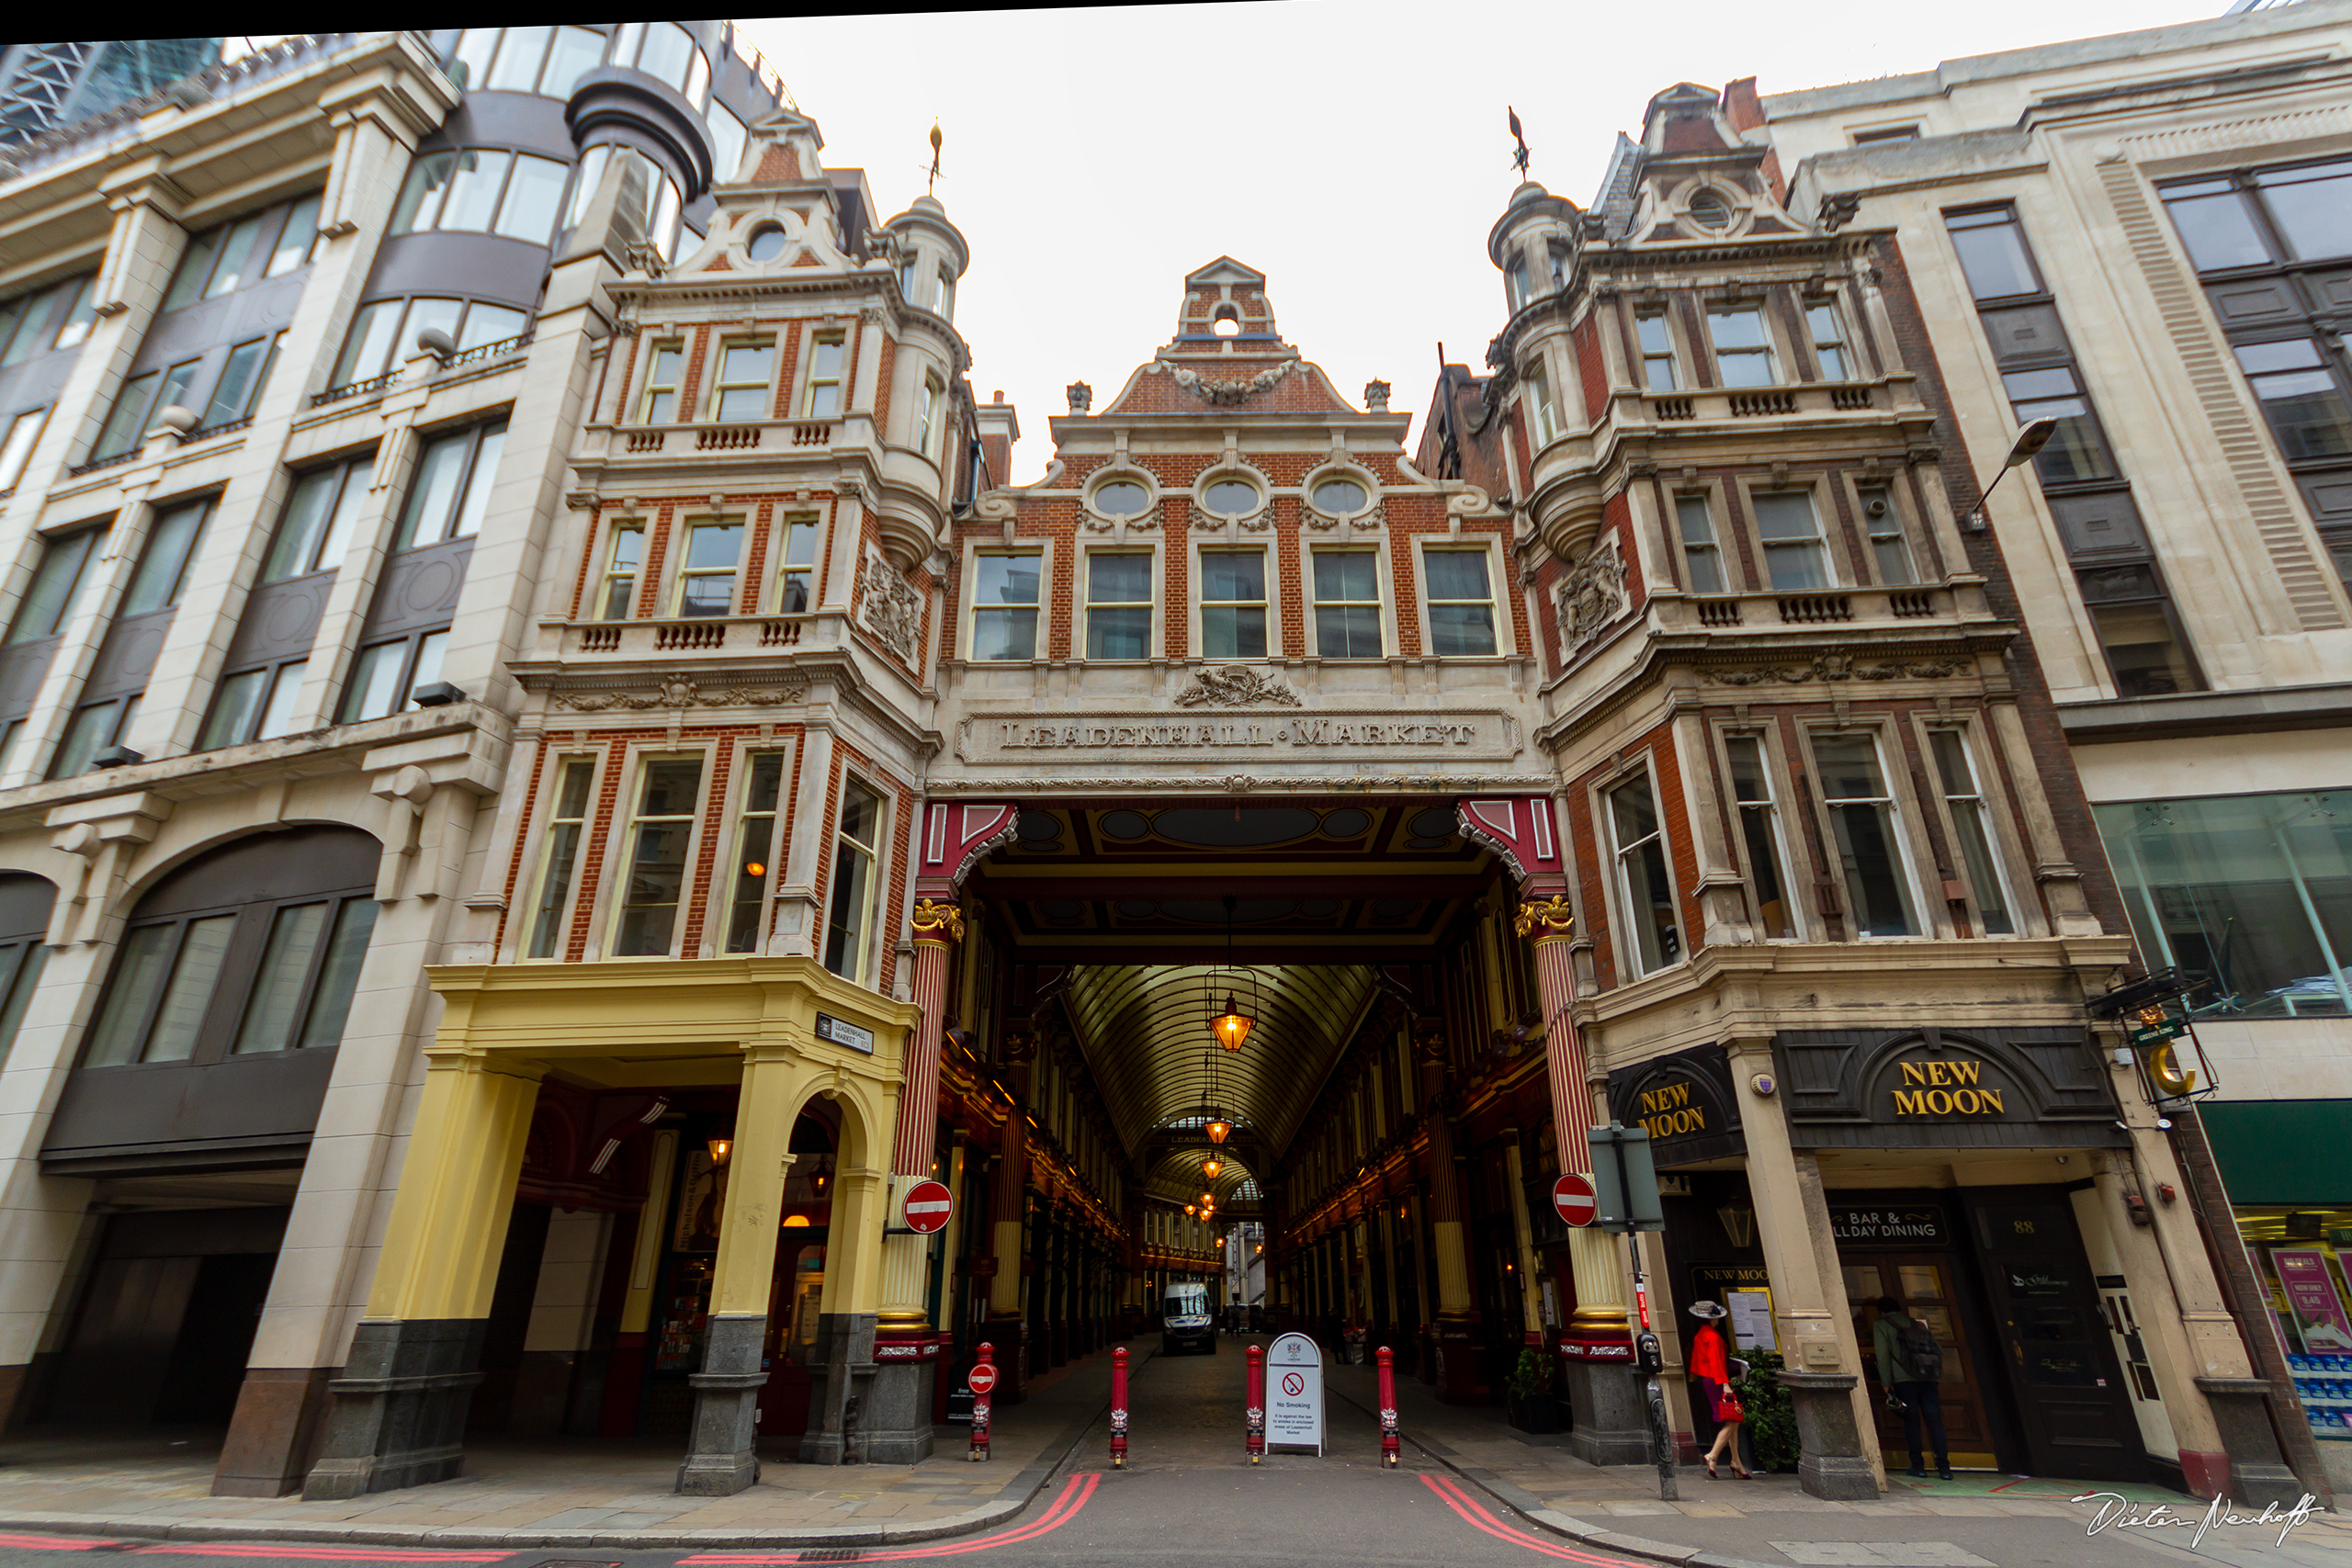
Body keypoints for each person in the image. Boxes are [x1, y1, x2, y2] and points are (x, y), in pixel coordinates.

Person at [1873, 1295, 1951, 1480]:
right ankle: (1945, 1469)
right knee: (1935, 1422)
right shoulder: (1916, 1324)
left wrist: (1886, 1383)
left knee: (1912, 1422)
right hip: (1927, 1378)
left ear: (1881, 1311)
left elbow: (1883, 1356)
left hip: (1904, 1380)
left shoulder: (1882, 1325)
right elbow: (1938, 1349)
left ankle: (1918, 1467)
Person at [1687, 1301, 1750, 1479]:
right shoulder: (1712, 1336)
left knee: (1732, 1420)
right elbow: (1715, 1361)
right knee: (1733, 1417)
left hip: (1709, 1379)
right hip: (1717, 1380)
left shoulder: (1702, 1334)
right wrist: (1725, 1384)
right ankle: (1713, 1455)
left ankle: (1736, 1461)